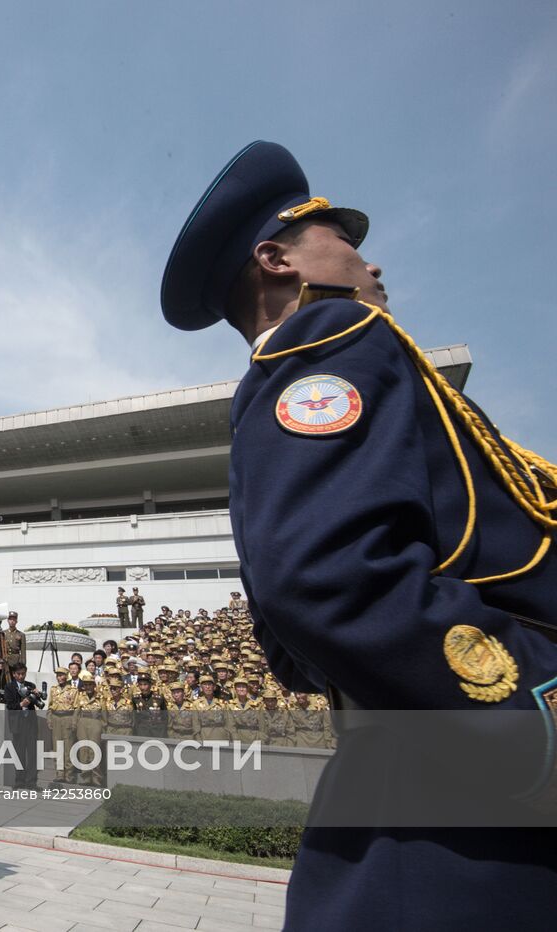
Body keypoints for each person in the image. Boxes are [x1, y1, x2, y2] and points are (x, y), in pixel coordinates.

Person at [162, 140, 557, 929]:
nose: (373, 267)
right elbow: (325, 580)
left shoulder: (283, 382)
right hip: (477, 801)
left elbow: (291, 642)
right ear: (276, 259)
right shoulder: (337, 336)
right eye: (347, 244)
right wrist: (534, 709)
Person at [3, 662, 42, 788]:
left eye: (23, 674)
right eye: (18, 674)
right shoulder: (9, 687)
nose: (21, 676)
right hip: (18, 723)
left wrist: (37, 694)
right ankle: (19, 781)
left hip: (30, 723)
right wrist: (21, 704)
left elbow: (38, 702)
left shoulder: (30, 685)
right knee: (19, 753)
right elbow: (10, 705)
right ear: (14, 674)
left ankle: (31, 782)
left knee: (32, 753)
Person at [47, 666, 79, 784]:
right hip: (56, 718)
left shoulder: (73, 690)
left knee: (68, 747)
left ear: (66, 676)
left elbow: (76, 708)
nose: (59, 678)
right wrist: (49, 719)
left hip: (67, 717)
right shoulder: (53, 689)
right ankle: (59, 774)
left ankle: (69, 775)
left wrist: (74, 721)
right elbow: (50, 706)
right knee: (57, 747)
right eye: (58, 675)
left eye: (61, 675)